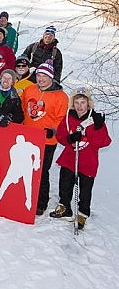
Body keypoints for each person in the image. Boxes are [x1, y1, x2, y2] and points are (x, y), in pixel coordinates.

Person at [52, 87, 111, 229]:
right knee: (65, 185)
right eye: (76, 102)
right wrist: (70, 138)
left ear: (88, 103)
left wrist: (98, 127)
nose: (79, 106)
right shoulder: (68, 117)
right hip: (69, 159)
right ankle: (65, 206)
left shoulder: (94, 119)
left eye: (83, 102)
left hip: (87, 161)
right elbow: (60, 136)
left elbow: (104, 142)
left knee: (85, 190)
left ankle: (83, 214)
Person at [21, 61, 69, 215]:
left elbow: (62, 118)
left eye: (44, 76)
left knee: (41, 170)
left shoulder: (61, 96)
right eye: (39, 75)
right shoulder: (29, 89)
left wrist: (53, 130)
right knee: (24, 167)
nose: (40, 79)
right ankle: (23, 195)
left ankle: (41, 202)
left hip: (47, 140)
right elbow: (22, 109)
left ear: (51, 77)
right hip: (28, 135)